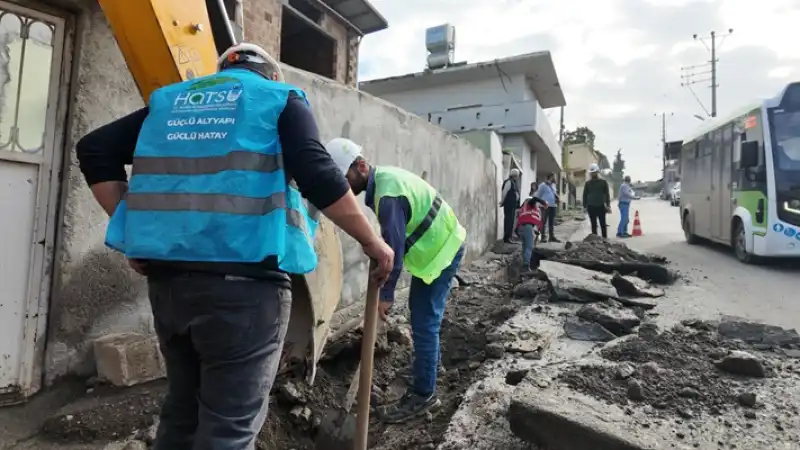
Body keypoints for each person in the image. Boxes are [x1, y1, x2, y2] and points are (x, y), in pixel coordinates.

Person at [75, 43, 394, 450]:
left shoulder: (170, 102)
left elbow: (94, 149)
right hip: (246, 291)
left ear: (223, 70)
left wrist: (131, 232)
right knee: (229, 430)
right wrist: (372, 241)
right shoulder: (280, 98)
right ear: (271, 74)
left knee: (182, 414)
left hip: (170, 287)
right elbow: (317, 172)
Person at [325, 137, 467, 424]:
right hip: (442, 243)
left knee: (424, 322)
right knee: (424, 318)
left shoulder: (387, 195)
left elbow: (394, 252)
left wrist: (386, 295)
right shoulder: (385, 182)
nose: (344, 185)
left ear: (361, 166)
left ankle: (424, 394)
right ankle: (430, 368)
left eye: (345, 177)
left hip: (442, 250)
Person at [515, 194, 548, 271]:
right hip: (528, 227)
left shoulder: (523, 209)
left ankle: (524, 265)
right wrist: (543, 202)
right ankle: (526, 266)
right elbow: (535, 198)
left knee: (525, 247)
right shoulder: (530, 204)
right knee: (529, 247)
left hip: (521, 228)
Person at [582, 163, 611, 238]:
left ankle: (605, 240)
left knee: (603, 224)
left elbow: (607, 194)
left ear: (597, 172)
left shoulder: (603, 182)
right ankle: (595, 241)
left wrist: (608, 205)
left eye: (594, 172)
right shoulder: (588, 183)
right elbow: (584, 195)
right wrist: (584, 206)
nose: (593, 174)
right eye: (592, 173)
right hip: (591, 207)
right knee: (593, 225)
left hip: (601, 206)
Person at [535, 172, 560, 242]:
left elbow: (554, 193)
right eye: (554, 177)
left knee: (551, 222)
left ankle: (551, 237)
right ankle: (543, 237)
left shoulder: (553, 185)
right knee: (543, 221)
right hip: (545, 206)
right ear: (550, 177)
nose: (555, 178)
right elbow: (538, 195)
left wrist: (557, 198)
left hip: (553, 205)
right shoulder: (542, 185)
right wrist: (540, 204)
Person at [500, 168, 521, 243]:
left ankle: (509, 236)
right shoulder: (509, 182)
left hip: (513, 205)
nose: (518, 177)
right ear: (514, 175)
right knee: (508, 220)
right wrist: (502, 201)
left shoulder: (513, 182)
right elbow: (504, 192)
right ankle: (506, 237)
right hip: (509, 204)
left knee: (511, 221)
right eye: (517, 175)